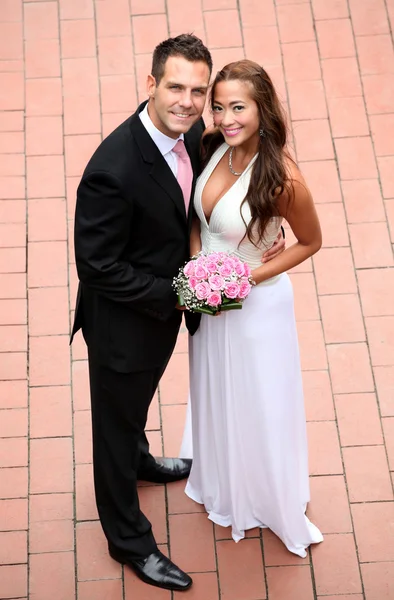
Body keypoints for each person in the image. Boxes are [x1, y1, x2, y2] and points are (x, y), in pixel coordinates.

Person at [71, 36, 285, 591]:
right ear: (150, 85)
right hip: (124, 325)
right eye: (175, 88)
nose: (189, 103)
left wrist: (261, 225)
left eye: (198, 91)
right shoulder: (111, 169)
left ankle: (141, 460)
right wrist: (181, 290)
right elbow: (97, 267)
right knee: (113, 430)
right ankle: (129, 539)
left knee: (135, 410)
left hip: (165, 313)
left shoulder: (191, 131)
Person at [180, 59, 324, 558]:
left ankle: (265, 494)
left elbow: (309, 242)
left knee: (259, 398)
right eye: (218, 107)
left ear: (263, 108)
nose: (225, 119)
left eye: (238, 107)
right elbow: (198, 217)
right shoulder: (211, 148)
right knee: (217, 387)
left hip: (257, 307)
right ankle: (223, 476)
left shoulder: (282, 175)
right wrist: (199, 261)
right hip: (209, 300)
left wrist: (241, 278)